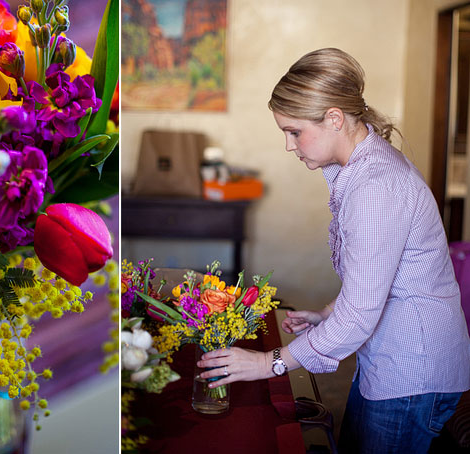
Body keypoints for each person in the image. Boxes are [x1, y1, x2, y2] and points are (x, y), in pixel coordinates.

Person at [197, 48, 470, 453]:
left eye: (293, 131)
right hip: (394, 361)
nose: (290, 146)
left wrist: (265, 363)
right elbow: (377, 276)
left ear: (334, 119)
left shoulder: (374, 187)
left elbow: (361, 314)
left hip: (413, 372)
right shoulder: (362, 169)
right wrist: (327, 315)